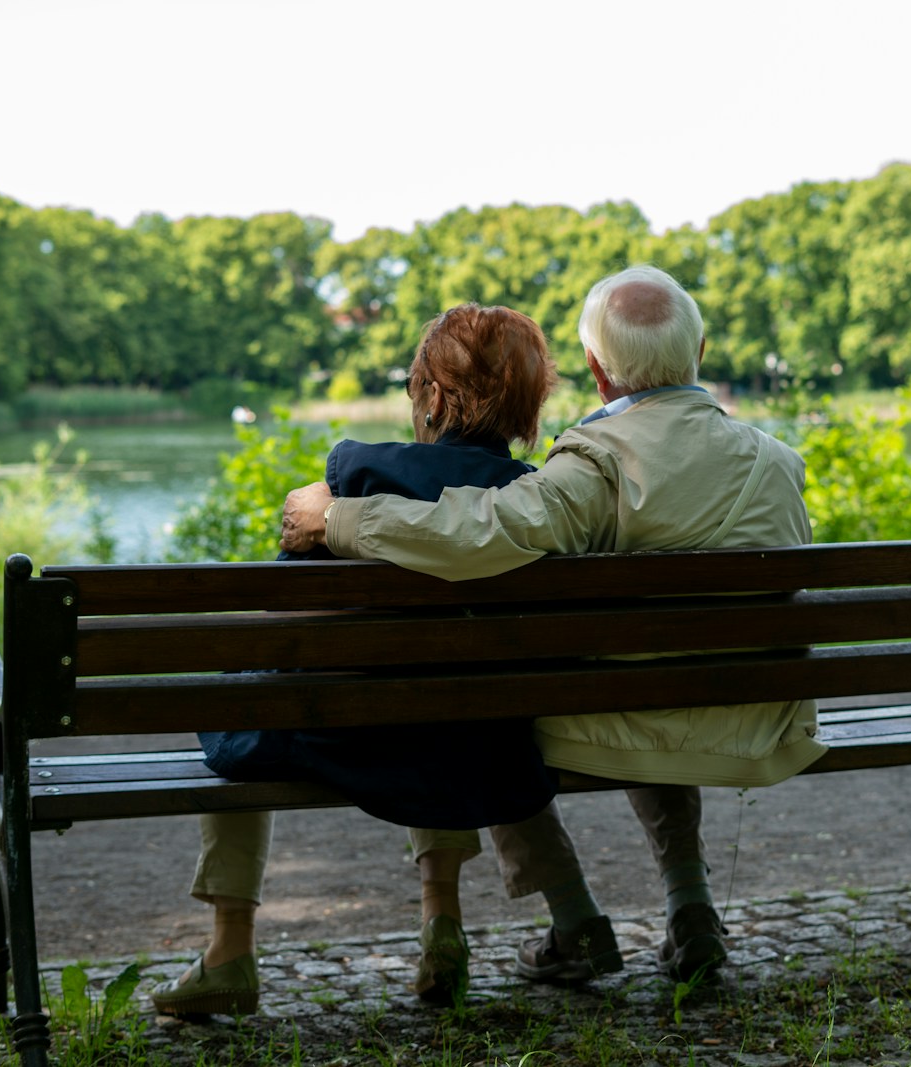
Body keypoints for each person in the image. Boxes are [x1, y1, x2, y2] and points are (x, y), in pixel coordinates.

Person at [279, 265, 827, 983]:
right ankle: (691, 904)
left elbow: (480, 532)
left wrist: (342, 517)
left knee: (487, 699)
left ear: (598, 372)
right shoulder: (777, 462)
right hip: (755, 718)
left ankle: (574, 920)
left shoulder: (596, 459)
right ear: (699, 351)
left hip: (630, 717)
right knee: (657, 676)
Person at [151, 303, 560, 1016]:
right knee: (442, 707)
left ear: (433, 396)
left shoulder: (359, 474)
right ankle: (442, 920)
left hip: (338, 730)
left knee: (242, 696)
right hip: (473, 740)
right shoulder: (535, 496)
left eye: (414, 386)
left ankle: (229, 949)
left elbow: (286, 615)